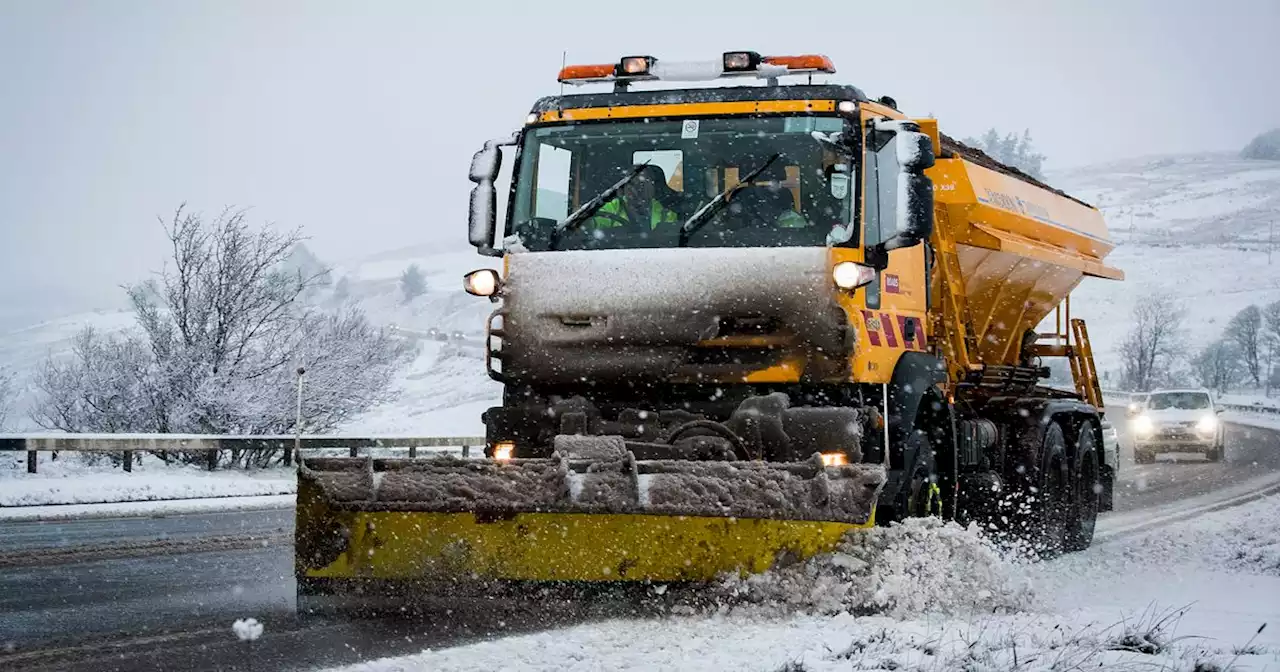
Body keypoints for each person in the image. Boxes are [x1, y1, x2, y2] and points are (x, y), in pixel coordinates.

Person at [588, 164, 680, 230]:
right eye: (631, 184)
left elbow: (670, 240)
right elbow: (588, 223)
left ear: (652, 188)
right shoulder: (612, 208)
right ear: (623, 188)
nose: (636, 190)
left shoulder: (665, 213)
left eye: (642, 184)